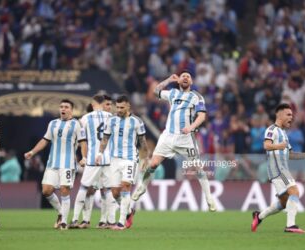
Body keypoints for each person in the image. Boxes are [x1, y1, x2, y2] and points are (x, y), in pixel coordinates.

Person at [132, 72, 216, 211]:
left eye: (188, 76)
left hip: (186, 138)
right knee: (153, 163)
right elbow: (155, 91)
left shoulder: (196, 97)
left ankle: (209, 198)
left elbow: (201, 116)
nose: (185, 77)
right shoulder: (172, 93)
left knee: (198, 168)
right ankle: (142, 187)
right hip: (168, 136)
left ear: (191, 81)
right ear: (178, 81)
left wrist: (191, 127)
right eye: (183, 76)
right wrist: (168, 80)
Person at [24, 99, 86, 230]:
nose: (63, 109)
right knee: (46, 190)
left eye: (66, 107)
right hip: (52, 163)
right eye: (61, 107)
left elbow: (83, 142)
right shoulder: (52, 123)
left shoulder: (77, 124)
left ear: (71, 110)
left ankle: (63, 222)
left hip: (68, 164)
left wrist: (84, 157)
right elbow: (45, 140)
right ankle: (60, 212)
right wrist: (32, 152)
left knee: (64, 190)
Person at [251, 103, 305, 234]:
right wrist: (279, 146)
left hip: (282, 170)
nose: (292, 117)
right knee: (295, 192)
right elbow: (266, 146)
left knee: (284, 202)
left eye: (292, 115)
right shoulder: (271, 130)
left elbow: (291, 154)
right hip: (278, 169)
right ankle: (291, 225)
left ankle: (259, 216)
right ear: (279, 115)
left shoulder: (284, 134)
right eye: (288, 114)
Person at [96, 95, 149, 230]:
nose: (119, 110)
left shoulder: (137, 121)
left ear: (128, 106)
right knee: (115, 192)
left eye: (122, 107)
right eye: (117, 107)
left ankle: (121, 222)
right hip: (114, 160)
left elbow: (143, 142)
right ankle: (129, 212)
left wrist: (146, 158)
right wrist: (99, 153)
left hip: (130, 159)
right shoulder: (111, 120)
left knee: (125, 186)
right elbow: (105, 139)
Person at [69, 95, 115, 229]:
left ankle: (75, 219)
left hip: (93, 158)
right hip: (108, 159)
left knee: (83, 187)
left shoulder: (86, 118)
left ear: (94, 104)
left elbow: (76, 128)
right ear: (103, 103)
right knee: (108, 191)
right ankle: (110, 222)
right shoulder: (112, 117)